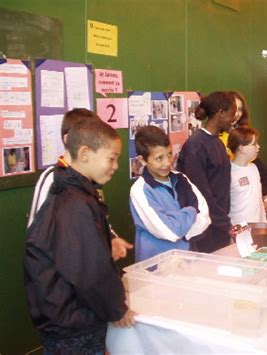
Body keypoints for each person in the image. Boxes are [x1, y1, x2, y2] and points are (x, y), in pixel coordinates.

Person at [24, 118, 135, 354]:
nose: (116, 166)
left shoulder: (75, 192)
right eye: (111, 158)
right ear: (84, 153)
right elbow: (89, 271)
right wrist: (116, 308)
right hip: (71, 321)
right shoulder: (74, 203)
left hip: (63, 314)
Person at [27, 108, 133, 261]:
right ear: (68, 139)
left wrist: (110, 239)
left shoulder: (90, 177)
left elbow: (98, 219)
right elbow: (37, 232)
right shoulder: (52, 178)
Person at [129, 125, 211, 261]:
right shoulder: (140, 190)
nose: (167, 162)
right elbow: (168, 231)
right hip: (156, 267)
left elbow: (204, 216)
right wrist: (190, 211)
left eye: (170, 154)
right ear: (143, 160)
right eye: (159, 158)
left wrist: (178, 224)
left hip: (187, 261)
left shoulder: (181, 179)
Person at [177, 91, 236, 253]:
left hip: (219, 226)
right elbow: (200, 194)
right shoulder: (195, 147)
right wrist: (226, 223)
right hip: (204, 229)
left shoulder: (216, 141)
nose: (234, 119)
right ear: (221, 113)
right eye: (232, 114)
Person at [222, 91, 267, 218]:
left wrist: (266, 196)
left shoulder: (253, 167)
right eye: (233, 109)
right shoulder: (217, 139)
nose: (237, 114)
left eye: (240, 109)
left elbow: (262, 171)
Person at [227, 126, 267, 225]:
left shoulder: (254, 168)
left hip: (257, 229)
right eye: (254, 144)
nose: (258, 147)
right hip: (238, 232)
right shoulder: (228, 172)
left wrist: (264, 224)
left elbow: (259, 202)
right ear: (241, 148)